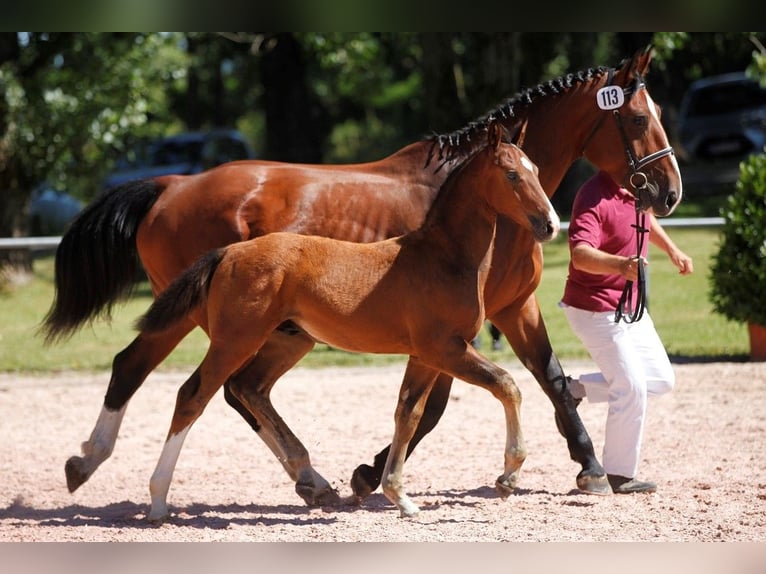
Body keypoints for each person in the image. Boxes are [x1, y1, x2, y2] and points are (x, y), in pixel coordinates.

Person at [559, 170, 693, 494]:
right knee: (631, 386)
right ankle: (618, 474)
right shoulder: (592, 195)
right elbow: (580, 255)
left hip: (629, 307)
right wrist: (620, 265)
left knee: (660, 380)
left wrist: (672, 250)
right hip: (594, 308)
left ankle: (573, 390)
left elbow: (646, 219)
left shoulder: (636, 187)